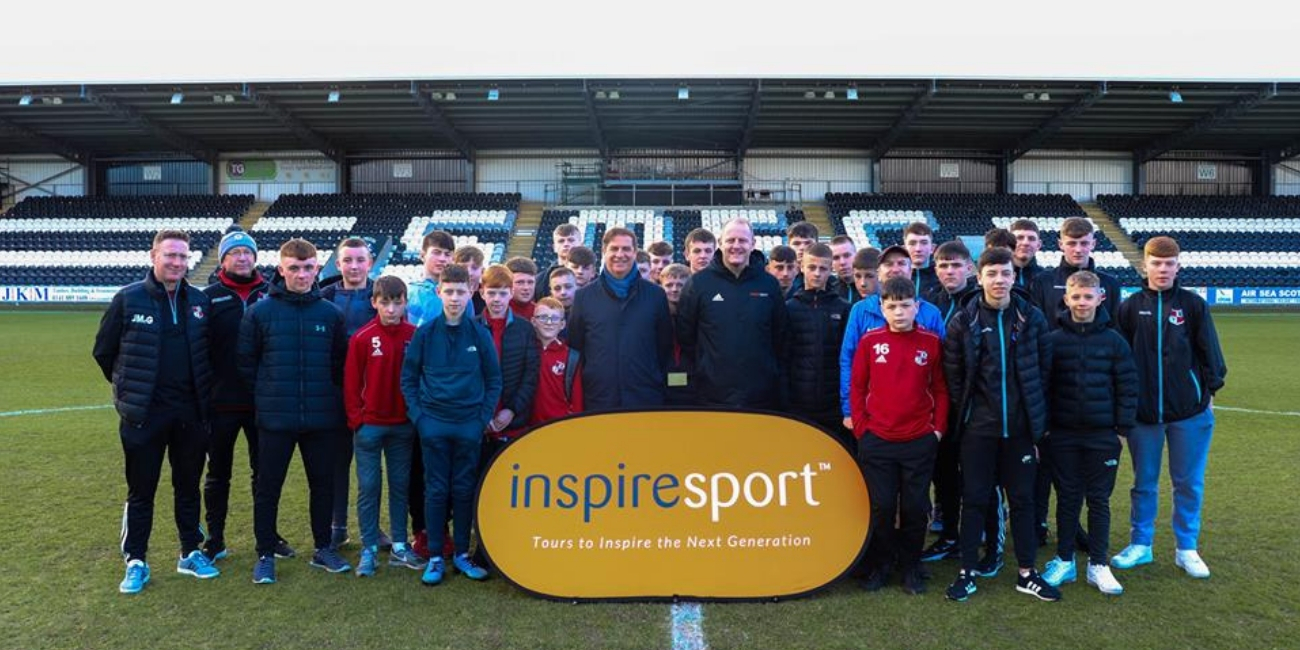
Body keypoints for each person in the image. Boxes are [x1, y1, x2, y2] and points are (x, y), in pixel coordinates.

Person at [93, 229, 218, 594]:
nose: (177, 262)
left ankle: (189, 553)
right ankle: (136, 560)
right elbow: (103, 352)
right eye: (170, 256)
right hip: (144, 416)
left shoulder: (199, 301)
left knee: (187, 487)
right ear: (153, 256)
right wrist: (129, 392)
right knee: (141, 490)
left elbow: (207, 353)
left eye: (183, 256)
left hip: (190, 414)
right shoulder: (128, 299)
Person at [942, 247, 1058, 603]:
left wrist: (1035, 424)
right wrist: (971, 415)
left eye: (1005, 273)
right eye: (991, 274)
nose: (998, 280)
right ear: (980, 278)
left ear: (1012, 276)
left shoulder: (1032, 316)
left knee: (1022, 500)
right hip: (979, 430)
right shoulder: (964, 320)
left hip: (1020, 430)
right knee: (974, 499)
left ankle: (1027, 573)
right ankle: (967, 571)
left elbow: (1043, 372)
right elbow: (955, 376)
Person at [1112, 236, 1227, 580]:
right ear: (1144, 265)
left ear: (1178, 266)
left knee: (1188, 482)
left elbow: (1210, 353)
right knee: (1144, 482)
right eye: (1156, 263)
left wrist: (1209, 391)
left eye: (1169, 263)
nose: (1163, 269)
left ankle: (1187, 548)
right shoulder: (1129, 307)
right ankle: (1141, 544)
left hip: (1189, 414)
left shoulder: (1192, 305)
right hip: (1143, 415)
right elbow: (1119, 359)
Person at [238, 238, 351, 584]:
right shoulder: (260, 312)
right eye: (294, 268)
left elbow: (339, 364)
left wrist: (328, 399)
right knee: (268, 487)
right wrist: (267, 396)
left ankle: (323, 548)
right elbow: (246, 363)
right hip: (275, 419)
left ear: (317, 269)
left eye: (308, 268)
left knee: (323, 485)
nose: (301, 274)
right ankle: (264, 552)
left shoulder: (331, 314)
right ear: (282, 269)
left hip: (321, 420)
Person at [401, 264, 501, 585]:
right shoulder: (426, 333)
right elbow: (409, 379)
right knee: (436, 489)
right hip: (434, 425)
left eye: (461, 292)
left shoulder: (480, 334)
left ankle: (461, 553)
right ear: (439, 292)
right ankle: (434, 556)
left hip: (468, 425)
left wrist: (481, 418)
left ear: (470, 292)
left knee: (463, 488)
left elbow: (494, 380)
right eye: (449, 292)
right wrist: (421, 419)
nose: (455, 298)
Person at [1040, 271, 1137, 595]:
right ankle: (1064, 561)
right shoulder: (1053, 341)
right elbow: (1042, 388)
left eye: (1088, 297)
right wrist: (1046, 431)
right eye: (1076, 297)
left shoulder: (1115, 342)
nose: (1082, 303)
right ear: (1066, 300)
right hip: (1063, 436)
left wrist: (1120, 430)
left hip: (1102, 437)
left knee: (1099, 500)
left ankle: (1099, 564)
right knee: (1067, 498)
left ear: (1100, 298)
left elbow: (1128, 387)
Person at [850, 276, 948, 595]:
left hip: (919, 439)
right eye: (892, 306)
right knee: (881, 505)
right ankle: (881, 563)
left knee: (915, 508)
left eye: (905, 306)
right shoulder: (869, 341)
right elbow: (858, 386)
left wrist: (937, 430)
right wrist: (863, 429)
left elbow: (940, 389)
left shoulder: (932, 342)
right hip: (877, 439)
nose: (899, 312)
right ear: (882, 308)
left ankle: (911, 566)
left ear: (917, 307)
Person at [201, 230, 293, 562]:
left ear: (255, 257)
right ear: (223, 259)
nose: (242, 258)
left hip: (262, 403)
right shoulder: (208, 298)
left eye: (247, 252)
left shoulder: (272, 295)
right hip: (220, 405)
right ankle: (215, 539)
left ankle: (268, 537)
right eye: (235, 252)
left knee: (264, 476)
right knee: (217, 475)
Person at [343, 276, 423, 577]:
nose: (391, 309)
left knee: (400, 486)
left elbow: (419, 379)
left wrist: (414, 415)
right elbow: (351, 383)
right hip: (370, 427)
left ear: (405, 303)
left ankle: (401, 545)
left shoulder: (415, 336)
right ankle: (369, 548)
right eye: (385, 302)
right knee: (369, 486)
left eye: (397, 302)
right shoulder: (362, 338)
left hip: (403, 426)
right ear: (374, 302)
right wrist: (357, 420)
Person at [676, 218, 788, 409]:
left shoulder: (768, 284)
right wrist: (706, 369)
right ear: (720, 243)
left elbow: (780, 336)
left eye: (742, 240)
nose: (736, 246)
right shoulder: (698, 284)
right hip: (711, 396)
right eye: (730, 240)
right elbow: (686, 336)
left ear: (753, 244)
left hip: (761, 397)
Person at [839, 246, 946, 429]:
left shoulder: (931, 313)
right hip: (872, 419)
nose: (895, 269)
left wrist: (938, 424)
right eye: (888, 264)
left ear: (910, 270)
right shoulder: (860, 310)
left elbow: (943, 370)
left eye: (901, 263)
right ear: (879, 272)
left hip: (919, 422)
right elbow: (848, 360)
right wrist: (849, 411)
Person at [568, 227, 674, 410]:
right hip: (599, 398)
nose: (620, 254)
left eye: (626, 249)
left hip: (646, 397)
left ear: (634, 252)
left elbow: (664, 348)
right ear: (604, 252)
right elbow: (576, 346)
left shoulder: (656, 295)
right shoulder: (583, 297)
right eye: (614, 248)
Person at [320, 237, 378, 550]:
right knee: (337, 462)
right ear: (339, 263)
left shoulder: (381, 295)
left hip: (376, 396)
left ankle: (375, 527)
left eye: (360, 260)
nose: (354, 266)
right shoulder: (325, 295)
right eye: (348, 260)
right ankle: (336, 525)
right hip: (335, 395)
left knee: (373, 466)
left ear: (370, 262)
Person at [784, 243, 851, 446]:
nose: (817, 273)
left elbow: (847, 357)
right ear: (801, 267)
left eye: (823, 268)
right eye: (812, 267)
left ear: (830, 270)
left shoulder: (844, 308)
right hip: (798, 404)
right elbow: (783, 356)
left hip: (833, 405)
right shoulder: (788, 308)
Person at [476, 264, 540, 443]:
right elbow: (467, 376)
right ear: (482, 293)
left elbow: (530, 375)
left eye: (503, 293)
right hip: (478, 422)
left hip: (514, 424)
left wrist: (511, 410)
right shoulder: (471, 328)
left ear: (511, 293)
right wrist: (482, 412)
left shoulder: (525, 328)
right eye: (491, 293)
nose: (497, 299)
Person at [1030, 217, 1120, 331]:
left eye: (1084, 243)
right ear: (1061, 244)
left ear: (1093, 244)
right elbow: (1037, 327)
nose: (1078, 249)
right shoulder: (1042, 282)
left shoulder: (1110, 284)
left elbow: (1115, 327)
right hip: (1053, 348)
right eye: (1071, 243)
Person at [529, 297, 584, 425]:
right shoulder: (526, 351)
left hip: (559, 425)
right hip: (527, 428)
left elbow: (577, 400)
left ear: (562, 324)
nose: (549, 322)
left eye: (554, 318)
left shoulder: (571, 357)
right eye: (542, 317)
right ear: (533, 321)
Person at [660, 263, 694, 406]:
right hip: (661, 386)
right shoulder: (654, 316)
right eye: (669, 285)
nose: (674, 289)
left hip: (694, 386)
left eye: (680, 285)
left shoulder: (698, 315)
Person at [406, 230, 455, 327]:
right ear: (422, 255)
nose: (442, 259)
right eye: (436, 252)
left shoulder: (460, 293)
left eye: (447, 254)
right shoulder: (408, 292)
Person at [534, 223, 581, 299]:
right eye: (561, 241)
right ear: (554, 247)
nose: (566, 244)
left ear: (581, 244)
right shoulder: (541, 280)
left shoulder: (592, 277)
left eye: (571, 240)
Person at [903, 221, 939, 296]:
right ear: (904, 249)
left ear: (932, 248)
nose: (918, 249)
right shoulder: (896, 278)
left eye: (924, 243)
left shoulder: (942, 278)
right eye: (912, 243)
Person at [1010, 219, 1045, 289]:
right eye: (1019, 238)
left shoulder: (1047, 279)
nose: (1025, 243)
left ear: (1038, 245)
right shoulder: (1000, 276)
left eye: (1031, 239)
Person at [454, 245, 487, 315]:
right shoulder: (445, 296)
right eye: (463, 267)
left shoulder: (488, 297)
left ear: (482, 271)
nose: (469, 273)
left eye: (474, 268)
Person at [829, 235, 858, 302]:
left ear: (856, 256)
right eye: (836, 258)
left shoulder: (873, 289)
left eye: (847, 256)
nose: (842, 262)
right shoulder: (829, 293)